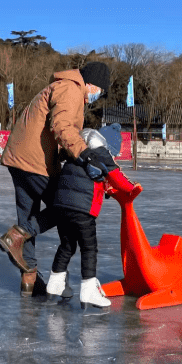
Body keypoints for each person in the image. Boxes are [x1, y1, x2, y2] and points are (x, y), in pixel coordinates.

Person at [0, 62, 111, 296]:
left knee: (29, 216)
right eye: (99, 90)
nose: (97, 96)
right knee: (65, 207)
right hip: (34, 161)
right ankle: (17, 237)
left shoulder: (60, 87)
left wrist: (67, 155)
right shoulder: (71, 89)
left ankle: (29, 281)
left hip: (19, 158)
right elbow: (62, 126)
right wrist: (84, 154)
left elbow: (53, 130)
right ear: (91, 84)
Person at [47, 124, 141, 309]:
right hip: (82, 209)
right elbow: (116, 176)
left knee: (67, 244)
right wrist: (132, 188)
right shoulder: (101, 153)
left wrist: (106, 188)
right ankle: (88, 290)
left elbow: (90, 176)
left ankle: (55, 282)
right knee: (89, 248)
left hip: (61, 205)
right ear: (107, 146)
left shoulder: (78, 152)